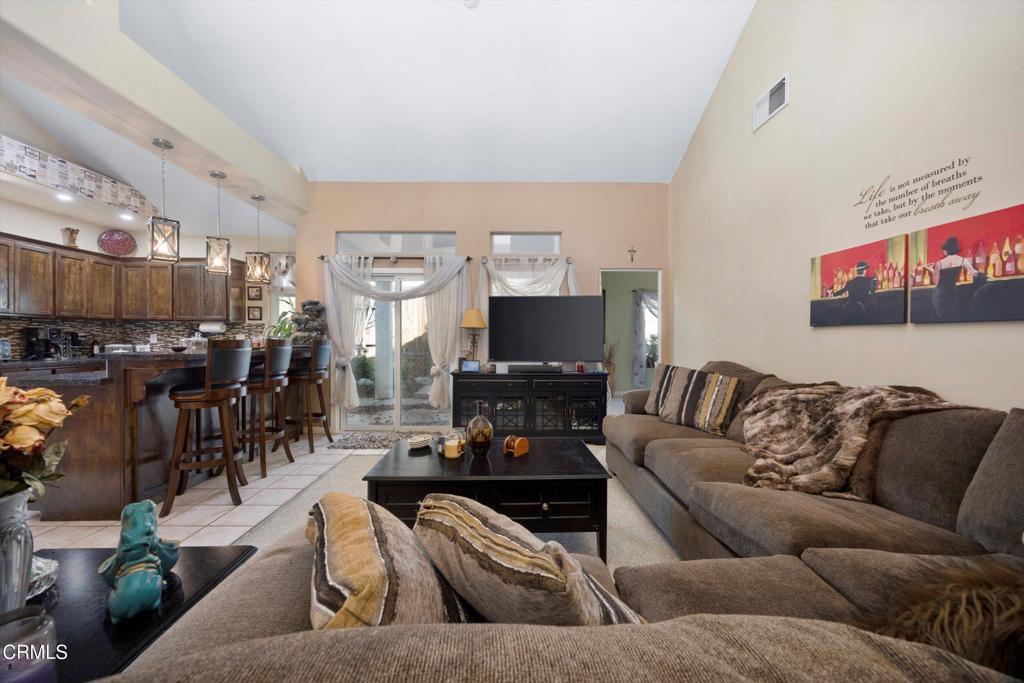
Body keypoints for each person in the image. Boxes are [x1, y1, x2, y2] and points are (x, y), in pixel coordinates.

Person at [925, 236, 978, 320]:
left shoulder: (940, 263)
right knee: (952, 315)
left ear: (946, 249)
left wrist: (931, 270)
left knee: (940, 317)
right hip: (953, 290)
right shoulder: (962, 260)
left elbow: (936, 281)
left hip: (940, 292)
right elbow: (974, 273)